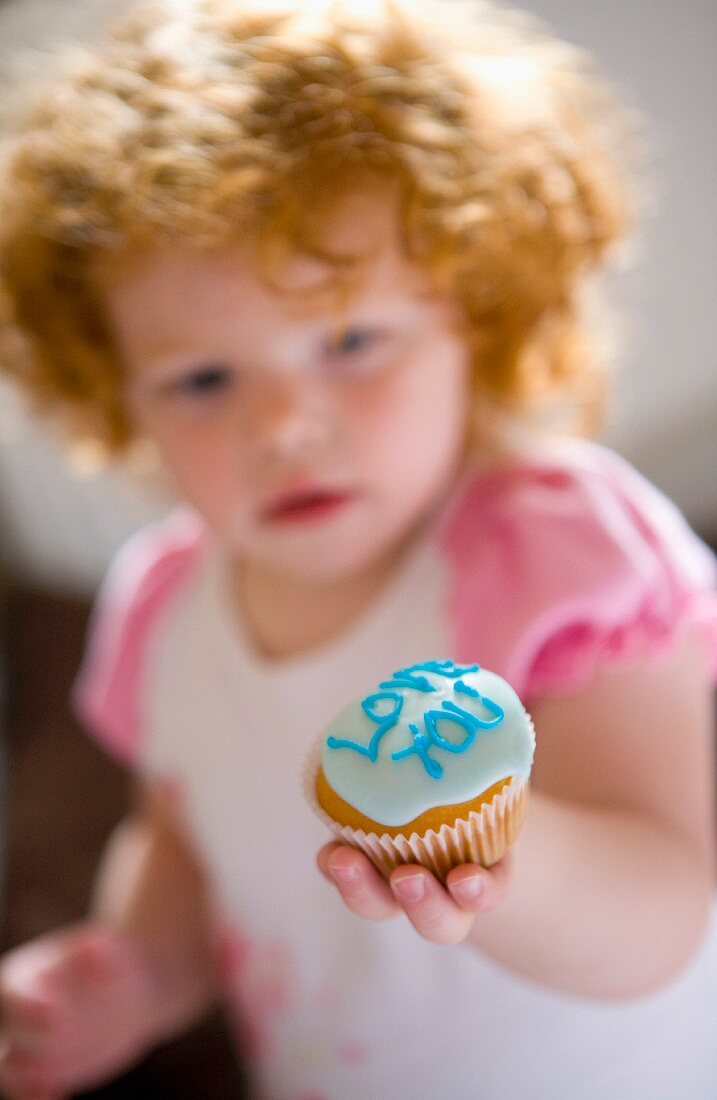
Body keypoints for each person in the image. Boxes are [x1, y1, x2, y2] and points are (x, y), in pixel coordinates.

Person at [0, 1, 715, 1097]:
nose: (282, 424)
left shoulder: (559, 550)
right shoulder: (163, 606)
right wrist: (135, 967)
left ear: (475, 316)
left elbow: (662, 904)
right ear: (119, 391)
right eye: (202, 379)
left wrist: (494, 862)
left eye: (350, 341)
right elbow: (185, 842)